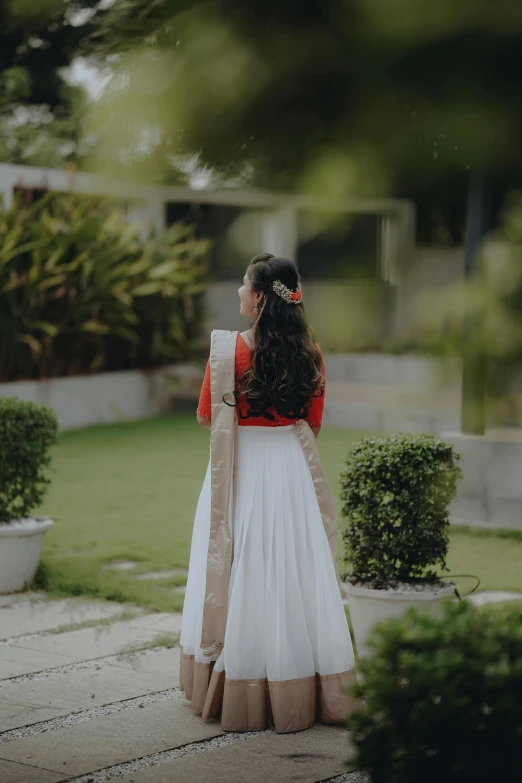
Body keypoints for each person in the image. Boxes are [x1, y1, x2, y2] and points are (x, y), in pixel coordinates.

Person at [179, 253, 357, 734]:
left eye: (243, 284)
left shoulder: (227, 352)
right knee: (290, 569)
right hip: (292, 471)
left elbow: (204, 416)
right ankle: (302, 683)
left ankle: (238, 682)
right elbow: (313, 423)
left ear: (259, 297)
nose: (238, 292)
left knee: (238, 565)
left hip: (239, 468)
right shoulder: (311, 354)